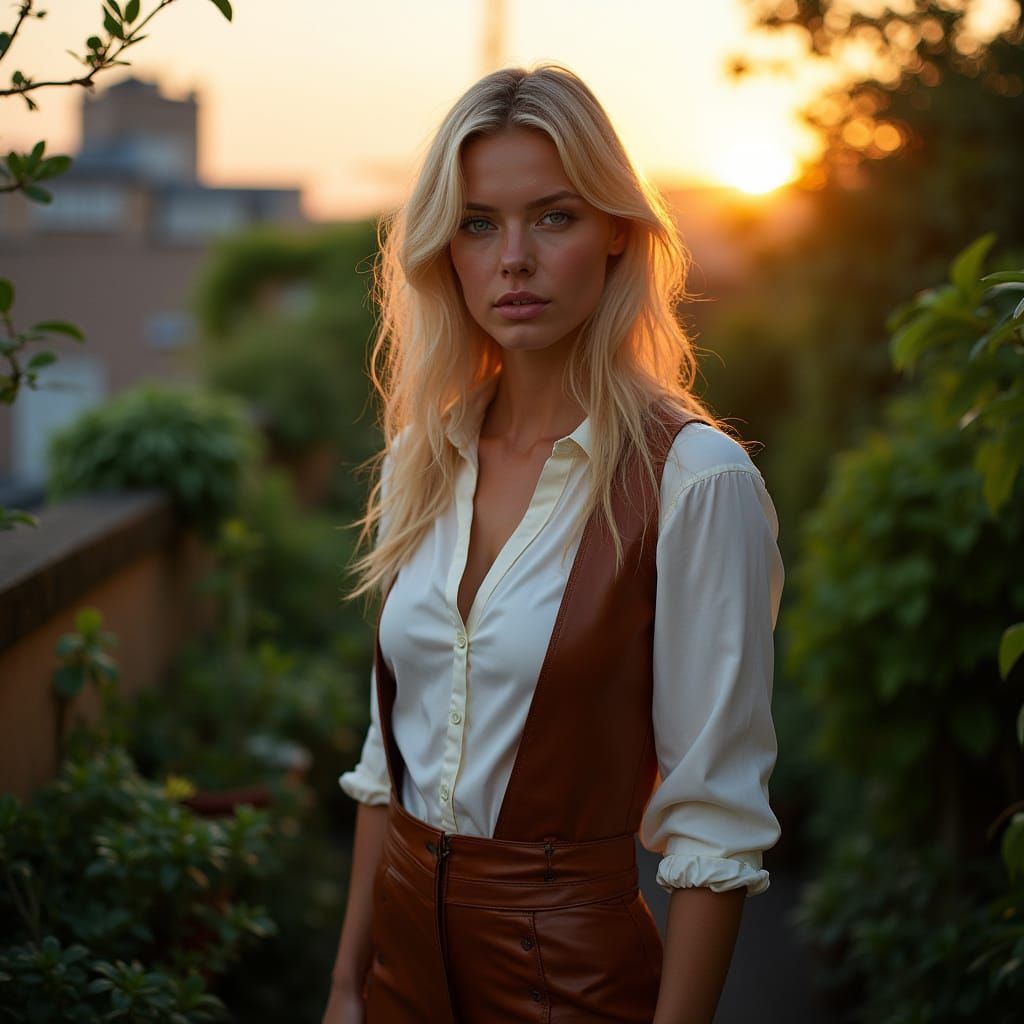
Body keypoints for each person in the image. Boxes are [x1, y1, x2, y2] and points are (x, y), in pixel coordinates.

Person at [322, 63, 783, 1024]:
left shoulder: (696, 482)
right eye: (477, 224)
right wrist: (343, 989)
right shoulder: (422, 456)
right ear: (443, 248)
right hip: (397, 983)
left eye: (554, 217)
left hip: (568, 988)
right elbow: (387, 763)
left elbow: (714, 820)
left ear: (616, 231)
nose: (513, 259)